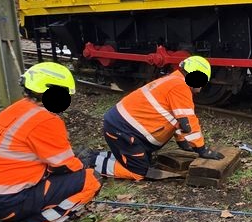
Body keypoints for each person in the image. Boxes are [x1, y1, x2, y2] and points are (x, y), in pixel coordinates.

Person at [0, 62, 102, 222]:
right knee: (91, 180)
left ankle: (16, 217)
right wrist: (82, 164)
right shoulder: (45, 120)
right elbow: (65, 166)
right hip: (6, 200)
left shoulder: (15, 109)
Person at [90, 55, 224, 180]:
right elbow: (188, 122)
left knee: (143, 161)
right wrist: (202, 149)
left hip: (122, 127)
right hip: (123, 130)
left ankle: (95, 156)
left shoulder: (174, 81)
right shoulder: (180, 87)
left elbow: (178, 119)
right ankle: (89, 162)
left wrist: (183, 140)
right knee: (138, 172)